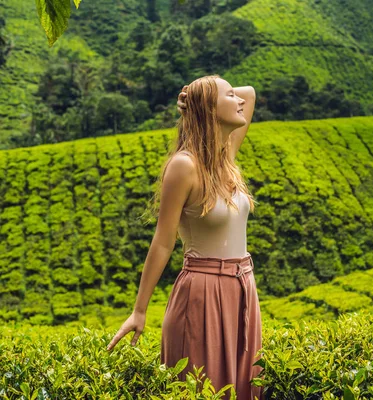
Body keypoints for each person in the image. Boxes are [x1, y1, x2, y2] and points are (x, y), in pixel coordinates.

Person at [106, 75, 264, 400]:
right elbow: (163, 242)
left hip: (243, 288)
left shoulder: (225, 157)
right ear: (209, 108)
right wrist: (139, 310)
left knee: (246, 388)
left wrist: (195, 96)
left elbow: (250, 94)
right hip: (203, 291)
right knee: (201, 390)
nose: (239, 101)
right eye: (228, 95)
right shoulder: (184, 166)